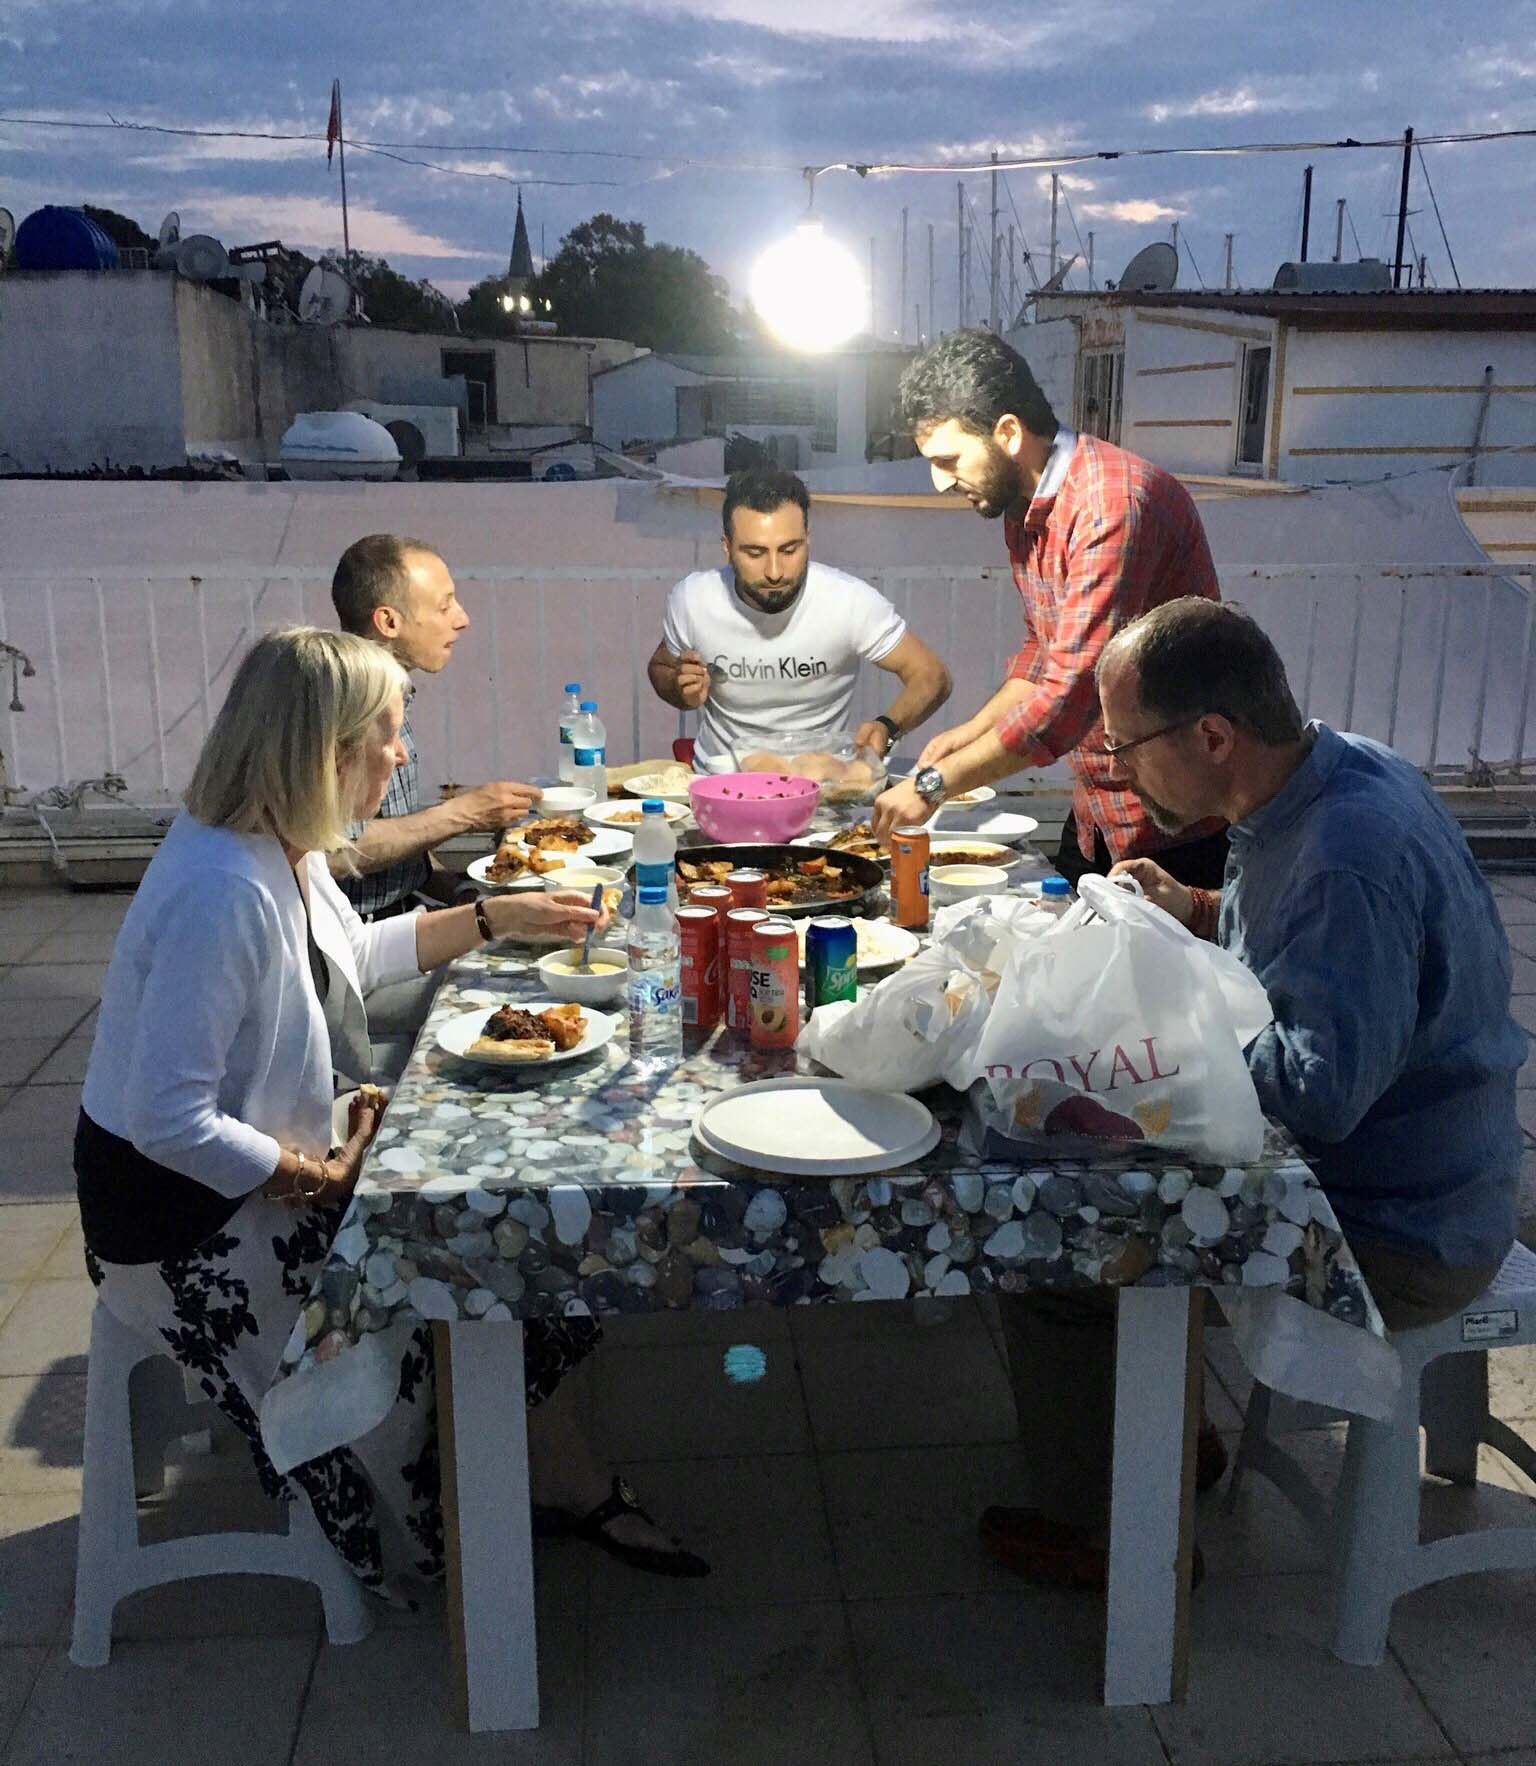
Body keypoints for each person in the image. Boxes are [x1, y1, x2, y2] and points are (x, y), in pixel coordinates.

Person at [74, 627, 708, 1598]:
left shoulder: (277, 842)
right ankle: (459, 1519)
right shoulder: (220, 889)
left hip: (245, 1169)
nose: (402, 754)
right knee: (475, 1254)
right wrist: (312, 1178)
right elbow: (167, 1120)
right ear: (325, 751)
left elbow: (354, 957)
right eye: (389, 736)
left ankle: (521, 1467)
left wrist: (502, 915)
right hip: (183, 1224)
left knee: (507, 1218)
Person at [980, 598, 1524, 1589]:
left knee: (1056, 1243)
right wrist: (1189, 908)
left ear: (1214, 734)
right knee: (1100, 1135)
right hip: (1424, 1164)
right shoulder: (1323, 775)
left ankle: (1119, 1542)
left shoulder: (1347, 858)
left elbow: (1318, 1095)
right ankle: (1168, 1441)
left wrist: (1151, 1024)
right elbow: (1295, 945)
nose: (1115, 770)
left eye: (1127, 747)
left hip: (1401, 1223)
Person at [871, 329, 1228, 890]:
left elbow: (1070, 696)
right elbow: (1044, 650)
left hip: (1180, 824)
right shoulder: (1023, 505)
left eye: (948, 459)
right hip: (1098, 813)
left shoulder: (1113, 503)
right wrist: (967, 734)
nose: (940, 482)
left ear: (1008, 432)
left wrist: (934, 785)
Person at [331, 533, 544, 1071]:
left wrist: (465, 889)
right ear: (388, 622)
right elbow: (337, 852)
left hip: (405, 917)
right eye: (444, 605)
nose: (462, 618)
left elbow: (398, 837)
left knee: (532, 942)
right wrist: (464, 814)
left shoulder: (393, 693)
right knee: (530, 988)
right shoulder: (344, 711)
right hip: (354, 955)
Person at [648, 465, 951, 772]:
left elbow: (933, 676)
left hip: (820, 788)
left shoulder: (848, 601)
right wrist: (679, 688)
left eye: (789, 549)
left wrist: (887, 728)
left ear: (807, 538)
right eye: (755, 553)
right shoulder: (694, 599)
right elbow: (661, 666)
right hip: (720, 784)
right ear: (727, 547)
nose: (775, 571)